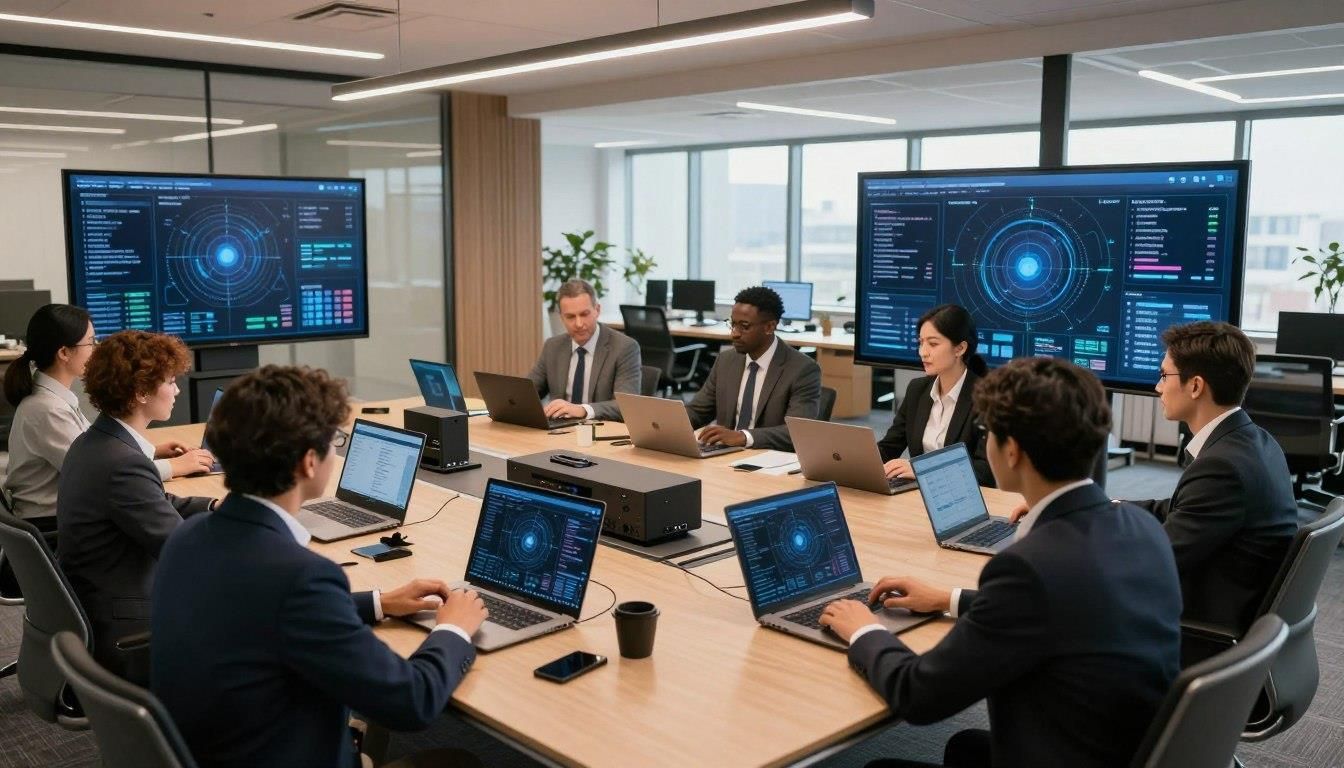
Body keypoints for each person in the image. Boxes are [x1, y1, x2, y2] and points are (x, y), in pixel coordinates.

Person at [820, 358, 1181, 768]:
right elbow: (1061, 609)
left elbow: (918, 696)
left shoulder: (1029, 568)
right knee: (965, 747)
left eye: (987, 434)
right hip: (1123, 747)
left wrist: (864, 630)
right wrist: (949, 599)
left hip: (1063, 754)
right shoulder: (1141, 526)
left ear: (1012, 451)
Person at [152, 366, 487, 768]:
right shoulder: (300, 577)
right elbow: (411, 703)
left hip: (215, 749)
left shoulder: (188, 538)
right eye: (334, 442)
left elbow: (262, 611)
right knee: (457, 762)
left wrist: (379, 602)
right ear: (310, 462)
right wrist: (454, 628)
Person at [56, 330, 217, 682]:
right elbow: (182, 551)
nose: (176, 390)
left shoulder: (94, 442)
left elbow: (153, 502)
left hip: (98, 600)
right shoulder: (121, 463)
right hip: (126, 625)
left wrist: (215, 506)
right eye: (170, 382)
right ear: (141, 392)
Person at [1129, 321, 1297, 636]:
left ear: (1195, 386)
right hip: (1235, 613)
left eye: (1165, 375)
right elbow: (1180, 511)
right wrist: (1097, 509)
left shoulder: (1223, 467)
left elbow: (1155, 563)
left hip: (1202, 631)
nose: (1158, 386)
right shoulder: (1254, 440)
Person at [2, 305, 212, 523]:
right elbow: (98, 472)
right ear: (64, 353)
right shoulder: (46, 409)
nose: (96, 348)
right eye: (91, 342)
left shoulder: (55, 399)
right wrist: (176, 466)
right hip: (51, 523)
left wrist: (154, 451)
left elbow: (98, 456)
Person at [685, 285, 821, 451]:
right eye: (732, 324)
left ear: (770, 327)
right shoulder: (726, 360)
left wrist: (743, 437)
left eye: (744, 326)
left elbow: (799, 432)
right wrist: (664, 423)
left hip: (769, 461)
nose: (734, 333)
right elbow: (698, 411)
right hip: (724, 455)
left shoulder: (802, 369)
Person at [877, 304, 994, 487]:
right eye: (920, 342)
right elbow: (889, 446)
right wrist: (854, 461)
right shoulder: (917, 389)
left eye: (933, 344)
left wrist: (922, 470)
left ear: (960, 348)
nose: (923, 352)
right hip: (919, 494)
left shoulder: (987, 398)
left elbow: (985, 471)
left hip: (966, 498)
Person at [527, 278, 641, 421]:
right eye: (570, 317)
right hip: (559, 432)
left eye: (584, 314)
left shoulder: (624, 347)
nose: (579, 324)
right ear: (561, 317)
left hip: (600, 432)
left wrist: (582, 410)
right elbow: (528, 392)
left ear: (597, 310)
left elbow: (626, 405)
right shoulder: (553, 346)